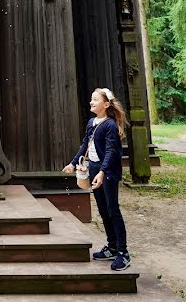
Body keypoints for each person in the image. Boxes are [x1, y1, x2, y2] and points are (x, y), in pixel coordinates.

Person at [63, 88, 131, 271]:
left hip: (107, 172)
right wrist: (72, 163)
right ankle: (112, 246)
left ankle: (123, 253)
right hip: (93, 168)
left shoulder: (110, 125)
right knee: (102, 209)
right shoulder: (92, 122)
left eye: (95, 99)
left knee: (112, 209)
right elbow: (85, 144)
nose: (91, 102)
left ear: (106, 104)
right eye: (91, 99)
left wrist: (102, 172)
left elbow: (110, 151)